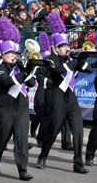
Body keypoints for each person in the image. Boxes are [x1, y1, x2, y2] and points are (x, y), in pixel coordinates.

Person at [36, 20, 92, 173]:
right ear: (55, 49)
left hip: (71, 99)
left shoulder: (71, 60)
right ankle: (43, 156)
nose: (67, 48)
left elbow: (88, 69)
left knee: (79, 131)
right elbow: (60, 70)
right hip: (57, 98)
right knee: (53, 131)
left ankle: (78, 163)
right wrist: (75, 60)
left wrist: (83, 58)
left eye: (67, 46)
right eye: (63, 47)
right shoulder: (50, 59)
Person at [0, 17, 35, 181]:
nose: (14, 56)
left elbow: (30, 82)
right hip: (6, 108)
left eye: (16, 53)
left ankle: (22, 169)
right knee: (2, 137)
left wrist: (26, 69)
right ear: (3, 54)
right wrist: (23, 72)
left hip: (22, 108)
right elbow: (7, 82)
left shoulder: (19, 67)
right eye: (10, 54)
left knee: (22, 139)